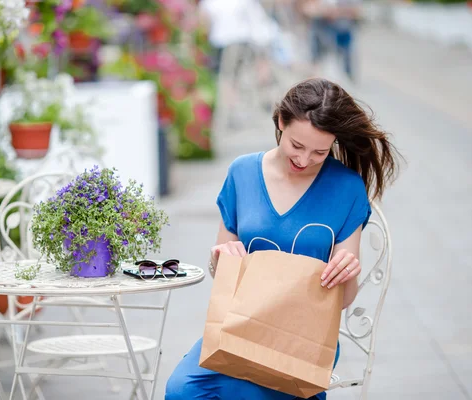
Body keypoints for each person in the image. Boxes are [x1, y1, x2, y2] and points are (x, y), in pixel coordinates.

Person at [165, 78, 401, 400]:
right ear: (280, 122)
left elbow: (344, 300)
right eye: (296, 145)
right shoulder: (242, 172)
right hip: (241, 325)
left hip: (303, 338)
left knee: (246, 394)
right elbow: (221, 271)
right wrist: (221, 257)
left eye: (320, 151)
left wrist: (348, 270)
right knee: (182, 391)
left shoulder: (346, 188)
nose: (304, 160)